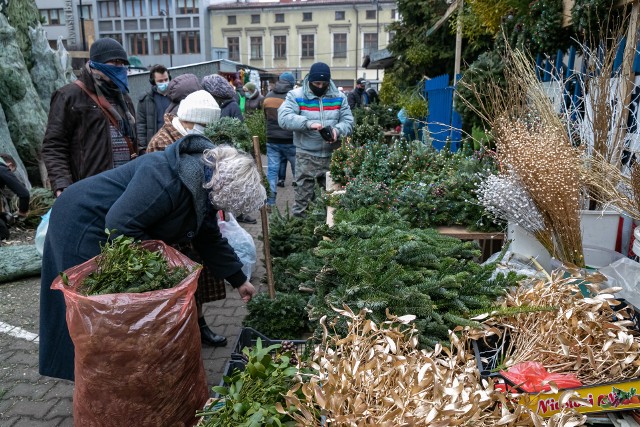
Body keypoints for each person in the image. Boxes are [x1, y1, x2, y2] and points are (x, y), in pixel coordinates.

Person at [39, 136, 265, 381]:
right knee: (94, 309)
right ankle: (98, 379)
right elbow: (120, 225)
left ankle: (123, 376)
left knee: (121, 309)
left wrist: (239, 279)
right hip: (84, 223)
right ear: (223, 187)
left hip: (115, 227)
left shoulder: (206, 185)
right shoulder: (165, 178)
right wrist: (163, 265)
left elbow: (208, 236)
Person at [42, 37, 138, 197]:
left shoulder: (123, 97)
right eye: (114, 63)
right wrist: (62, 184)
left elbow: (134, 139)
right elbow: (54, 145)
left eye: (122, 63)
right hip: (90, 188)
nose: (119, 67)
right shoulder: (69, 95)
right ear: (96, 64)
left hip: (126, 187)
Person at [278, 62, 354, 217]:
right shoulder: (296, 96)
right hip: (306, 156)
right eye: (316, 83)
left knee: (333, 201)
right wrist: (308, 124)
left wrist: (337, 130)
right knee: (302, 201)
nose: (320, 86)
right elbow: (284, 118)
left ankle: (328, 235)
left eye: (324, 83)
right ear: (309, 80)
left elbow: (349, 121)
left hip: (333, 157)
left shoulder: (339, 97)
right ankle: (300, 234)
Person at [147, 90, 220, 153]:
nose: (206, 130)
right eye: (203, 125)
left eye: (210, 126)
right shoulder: (161, 143)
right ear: (186, 120)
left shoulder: (191, 139)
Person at [263, 72, 296, 210]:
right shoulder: (293, 97)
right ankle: (301, 203)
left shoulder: (268, 97)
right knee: (299, 173)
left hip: (272, 140)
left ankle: (270, 201)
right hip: (291, 140)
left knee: (272, 172)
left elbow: (265, 118)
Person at [136, 64, 171, 153]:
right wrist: (143, 149)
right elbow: (141, 126)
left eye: (166, 80)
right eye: (160, 81)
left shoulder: (175, 96)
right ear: (153, 81)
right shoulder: (145, 100)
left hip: (173, 145)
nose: (164, 83)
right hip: (154, 148)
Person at [0, 154, 29, 241]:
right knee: (3, 234)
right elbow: (24, 194)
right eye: (11, 171)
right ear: (9, 165)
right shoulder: (3, 169)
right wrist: (22, 211)